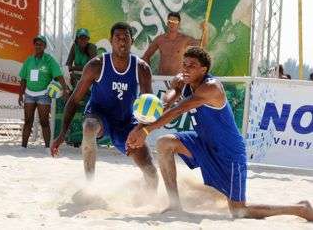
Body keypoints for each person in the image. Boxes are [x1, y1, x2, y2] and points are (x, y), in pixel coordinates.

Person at [127, 46, 313, 221]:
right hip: (203, 142)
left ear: (204, 69)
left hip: (228, 152)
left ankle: (300, 209)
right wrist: (157, 109)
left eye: (192, 65)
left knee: (239, 210)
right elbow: (171, 96)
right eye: (184, 64)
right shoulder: (182, 80)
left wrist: (145, 130)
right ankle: (175, 204)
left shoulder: (211, 88)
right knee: (164, 143)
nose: (186, 68)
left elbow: (178, 110)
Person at [51, 22, 158, 189]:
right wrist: (62, 133)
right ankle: (90, 185)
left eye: (126, 38)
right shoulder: (96, 65)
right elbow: (73, 100)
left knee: (150, 170)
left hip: (126, 121)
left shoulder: (141, 68)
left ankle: (150, 202)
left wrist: (140, 129)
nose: (122, 41)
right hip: (99, 115)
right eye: (118, 38)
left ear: (132, 41)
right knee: (89, 126)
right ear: (111, 40)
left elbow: (149, 105)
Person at [18, 35, 70, 148]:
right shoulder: (29, 60)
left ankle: (47, 148)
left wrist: (65, 89)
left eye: (40, 44)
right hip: (29, 94)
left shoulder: (49, 60)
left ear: (45, 46)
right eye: (36, 44)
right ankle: (23, 147)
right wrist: (20, 94)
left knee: (44, 122)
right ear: (34, 45)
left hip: (44, 95)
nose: (38, 46)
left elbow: (59, 76)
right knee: (27, 122)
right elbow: (23, 79)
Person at [142, 12, 208, 76]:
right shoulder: (160, 40)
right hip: (162, 78)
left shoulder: (184, 39)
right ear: (167, 23)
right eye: (170, 21)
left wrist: (205, 30)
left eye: (175, 22)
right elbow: (146, 56)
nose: (172, 24)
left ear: (179, 25)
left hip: (178, 79)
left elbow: (202, 44)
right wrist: (148, 74)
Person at [65, 28, 98, 148]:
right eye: (81, 38)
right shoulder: (74, 47)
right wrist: (72, 70)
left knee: (89, 109)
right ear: (77, 39)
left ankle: (89, 137)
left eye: (85, 38)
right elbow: (68, 63)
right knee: (71, 104)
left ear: (88, 39)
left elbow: (92, 67)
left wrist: (74, 69)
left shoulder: (92, 47)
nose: (83, 40)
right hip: (76, 81)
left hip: (89, 82)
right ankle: (72, 136)